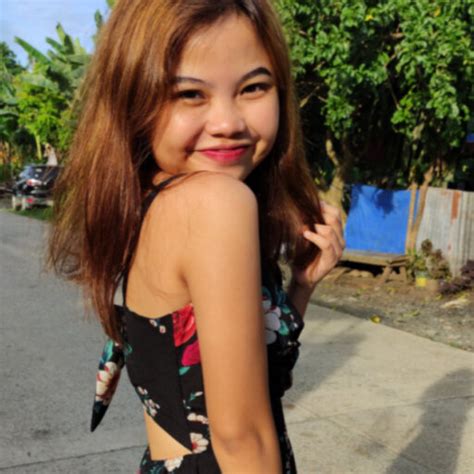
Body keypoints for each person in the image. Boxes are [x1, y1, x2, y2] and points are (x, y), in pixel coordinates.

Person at [48, 0, 345, 472]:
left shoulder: (152, 198)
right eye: (189, 94)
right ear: (134, 99)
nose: (228, 123)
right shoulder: (215, 203)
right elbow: (241, 437)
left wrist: (301, 286)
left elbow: (233, 390)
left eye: (253, 87)